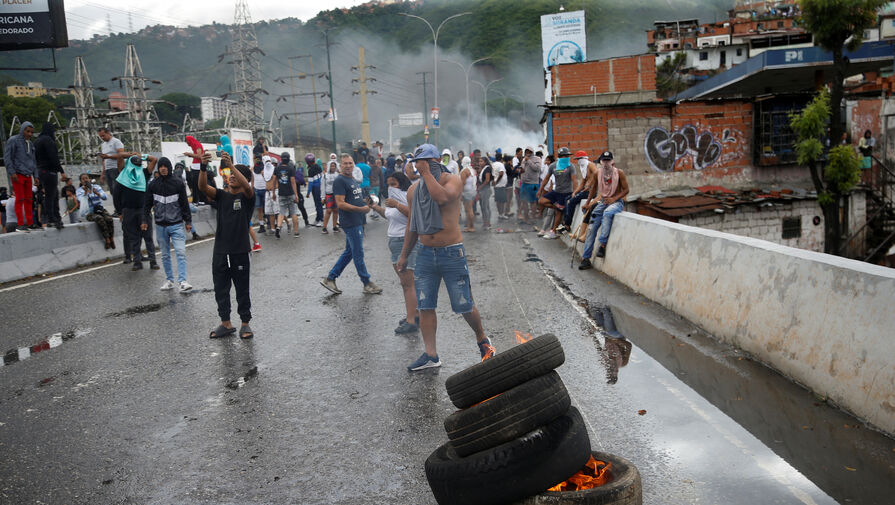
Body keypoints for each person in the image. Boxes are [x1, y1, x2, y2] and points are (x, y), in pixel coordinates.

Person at [398, 144, 495, 371]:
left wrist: (425, 174)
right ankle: (431, 355)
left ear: (437, 161)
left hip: (451, 251)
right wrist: (404, 256)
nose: (422, 167)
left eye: (427, 162)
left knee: (463, 304)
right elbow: (412, 225)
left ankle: (483, 340)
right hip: (424, 253)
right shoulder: (414, 191)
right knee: (425, 305)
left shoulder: (452, 180)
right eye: (418, 162)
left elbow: (441, 198)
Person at [200, 152, 255, 339]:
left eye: (236, 174)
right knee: (221, 288)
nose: (232, 176)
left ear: (245, 179)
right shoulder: (222, 196)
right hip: (221, 251)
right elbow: (202, 187)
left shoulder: (248, 197)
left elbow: (247, 187)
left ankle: (245, 323)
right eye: (230, 173)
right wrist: (202, 166)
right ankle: (226, 323)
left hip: (239, 251)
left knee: (242, 288)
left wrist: (232, 166)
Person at [320, 154, 382, 295]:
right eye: (345, 163)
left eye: (350, 163)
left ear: (353, 164)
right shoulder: (340, 181)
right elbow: (340, 204)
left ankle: (330, 278)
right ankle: (367, 283)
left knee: (349, 252)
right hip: (350, 222)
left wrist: (367, 202)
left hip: (357, 221)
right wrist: (361, 209)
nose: (348, 165)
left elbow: (355, 198)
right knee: (358, 253)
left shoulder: (352, 179)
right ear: (340, 165)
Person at [370, 171, 419, 334]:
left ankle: (411, 321)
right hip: (394, 242)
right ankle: (414, 314)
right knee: (406, 283)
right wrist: (375, 207)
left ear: (401, 183)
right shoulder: (393, 200)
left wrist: (397, 204)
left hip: (405, 242)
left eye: (394, 184)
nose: (391, 188)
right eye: (389, 184)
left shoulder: (406, 196)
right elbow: (389, 215)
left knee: (407, 284)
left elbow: (413, 215)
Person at [144, 157, 193, 292]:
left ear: (169, 168)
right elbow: (147, 204)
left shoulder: (178, 184)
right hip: (160, 226)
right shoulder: (153, 185)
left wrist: (188, 221)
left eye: (166, 166)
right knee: (165, 255)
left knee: (181, 252)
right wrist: (144, 220)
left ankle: (183, 281)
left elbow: (184, 204)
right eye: (161, 166)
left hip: (176, 224)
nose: (163, 168)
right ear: (158, 169)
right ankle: (169, 280)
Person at [579, 151, 629, 270]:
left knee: (607, 213)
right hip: (603, 201)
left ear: (612, 162)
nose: (606, 163)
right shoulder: (598, 173)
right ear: (601, 162)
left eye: (608, 161)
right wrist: (587, 203)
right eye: (604, 161)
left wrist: (614, 199)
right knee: (592, 226)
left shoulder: (619, 173)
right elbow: (593, 189)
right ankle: (586, 259)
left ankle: (602, 245)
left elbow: (626, 190)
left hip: (616, 202)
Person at [116, 154, 158, 271]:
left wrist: (143, 156)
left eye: (139, 164)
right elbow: (119, 156)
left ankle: (153, 261)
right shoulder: (123, 176)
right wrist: (119, 212)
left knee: (148, 237)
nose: (137, 167)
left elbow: (154, 159)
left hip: (143, 210)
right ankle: (137, 262)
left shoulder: (144, 173)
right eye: (135, 164)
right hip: (128, 211)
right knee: (134, 238)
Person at [4, 121, 38, 232]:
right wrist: (11, 172)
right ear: (22, 130)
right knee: (20, 199)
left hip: (28, 174)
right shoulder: (13, 140)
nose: (29, 134)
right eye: (27, 131)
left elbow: (33, 161)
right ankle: (20, 224)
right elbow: (8, 157)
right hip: (17, 174)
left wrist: (35, 175)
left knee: (29, 199)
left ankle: (29, 223)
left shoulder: (30, 144)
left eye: (31, 132)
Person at [537, 147, 577, 239]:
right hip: (556, 191)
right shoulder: (553, 166)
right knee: (541, 201)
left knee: (558, 213)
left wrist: (574, 192)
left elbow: (574, 180)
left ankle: (553, 231)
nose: (567, 157)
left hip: (566, 192)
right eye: (565, 156)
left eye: (568, 156)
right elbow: (547, 178)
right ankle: (558, 206)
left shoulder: (570, 166)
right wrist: (540, 189)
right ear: (560, 156)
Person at [559, 151, 597, 237]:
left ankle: (567, 225)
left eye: (579, 159)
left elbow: (596, 174)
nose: (578, 161)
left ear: (583, 158)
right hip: (585, 190)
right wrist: (575, 192)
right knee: (567, 199)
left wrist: (590, 184)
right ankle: (565, 221)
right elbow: (582, 182)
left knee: (571, 201)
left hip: (591, 192)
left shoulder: (590, 165)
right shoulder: (582, 168)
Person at [35, 123, 65, 230]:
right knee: (52, 196)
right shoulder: (48, 140)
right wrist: (61, 171)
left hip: (40, 171)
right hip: (49, 171)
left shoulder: (37, 140)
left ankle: (52, 217)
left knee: (48, 195)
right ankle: (53, 218)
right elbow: (54, 157)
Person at [77, 173, 116, 249]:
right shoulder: (79, 190)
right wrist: (85, 192)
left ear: (89, 179)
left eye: (86, 178)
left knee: (109, 219)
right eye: (83, 179)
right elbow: (81, 200)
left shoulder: (96, 187)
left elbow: (105, 197)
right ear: (81, 181)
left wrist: (97, 193)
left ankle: (111, 238)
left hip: (100, 209)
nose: (85, 180)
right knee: (100, 219)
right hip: (89, 212)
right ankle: (107, 239)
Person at [97, 127, 126, 216]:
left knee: (118, 190)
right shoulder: (103, 145)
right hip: (108, 169)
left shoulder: (116, 142)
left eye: (103, 135)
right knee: (112, 191)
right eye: (101, 136)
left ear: (108, 133)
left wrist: (108, 157)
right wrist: (103, 173)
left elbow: (121, 154)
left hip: (116, 168)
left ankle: (122, 209)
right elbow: (104, 160)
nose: (102, 138)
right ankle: (117, 209)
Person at [274, 153, 300, 238]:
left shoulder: (277, 168)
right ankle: (296, 232)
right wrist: (296, 194)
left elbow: (274, 180)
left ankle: (278, 226)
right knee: (293, 212)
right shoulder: (291, 168)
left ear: (281, 159)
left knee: (281, 212)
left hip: (281, 193)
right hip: (290, 193)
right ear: (288, 159)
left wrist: (273, 192)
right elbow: (293, 181)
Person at [252, 154, 273, 235]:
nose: (256, 160)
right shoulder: (253, 168)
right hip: (256, 190)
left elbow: (268, 179)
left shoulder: (265, 168)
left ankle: (269, 224)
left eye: (257, 159)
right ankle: (261, 226)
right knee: (259, 209)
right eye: (255, 159)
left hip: (265, 190)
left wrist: (264, 174)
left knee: (267, 208)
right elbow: (252, 180)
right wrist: (252, 188)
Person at [519, 146, 541, 225]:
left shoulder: (537, 159)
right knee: (524, 201)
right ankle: (526, 218)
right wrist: (520, 170)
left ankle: (533, 218)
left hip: (533, 184)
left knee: (533, 201)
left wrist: (529, 161)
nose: (528, 153)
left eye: (529, 151)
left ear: (532, 152)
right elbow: (522, 169)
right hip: (524, 183)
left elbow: (537, 168)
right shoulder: (524, 159)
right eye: (526, 151)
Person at [183, 135, 206, 206]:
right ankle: (196, 200)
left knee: (197, 184)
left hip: (197, 166)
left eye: (187, 142)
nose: (187, 143)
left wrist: (189, 154)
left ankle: (200, 200)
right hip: (195, 166)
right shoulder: (195, 145)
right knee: (194, 184)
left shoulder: (197, 144)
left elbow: (199, 156)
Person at [321, 153, 341, 234]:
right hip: (328, 194)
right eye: (331, 166)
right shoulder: (325, 175)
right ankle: (324, 227)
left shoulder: (338, 175)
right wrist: (322, 197)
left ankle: (334, 226)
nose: (333, 167)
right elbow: (322, 187)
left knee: (336, 211)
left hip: (336, 195)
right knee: (328, 211)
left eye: (334, 166)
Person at [306, 153, 324, 226]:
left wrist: (308, 192)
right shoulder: (318, 166)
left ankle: (321, 219)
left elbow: (310, 182)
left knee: (318, 204)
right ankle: (318, 218)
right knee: (318, 204)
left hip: (315, 188)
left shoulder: (310, 170)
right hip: (321, 186)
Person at [459, 156, 477, 232]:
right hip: (472, 191)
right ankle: (469, 226)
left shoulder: (464, 171)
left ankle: (471, 227)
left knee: (469, 210)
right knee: (469, 209)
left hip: (466, 192)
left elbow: (463, 183)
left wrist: (460, 194)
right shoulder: (472, 170)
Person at [476, 157, 493, 230]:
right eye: (479, 161)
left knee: (485, 207)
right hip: (483, 189)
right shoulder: (483, 169)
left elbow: (487, 180)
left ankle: (487, 223)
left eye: (481, 161)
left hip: (485, 189)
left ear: (485, 162)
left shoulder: (487, 169)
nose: (480, 163)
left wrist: (480, 187)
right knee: (485, 206)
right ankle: (486, 222)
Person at [491, 154, 508, 219]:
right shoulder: (501, 165)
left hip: (497, 186)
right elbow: (501, 174)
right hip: (500, 185)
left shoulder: (493, 164)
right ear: (501, 159)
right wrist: (497, 181)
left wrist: (494, 181)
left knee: (498, 200)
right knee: (502, 201)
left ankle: (500, 214)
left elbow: (492, 174)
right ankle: (501, 214)